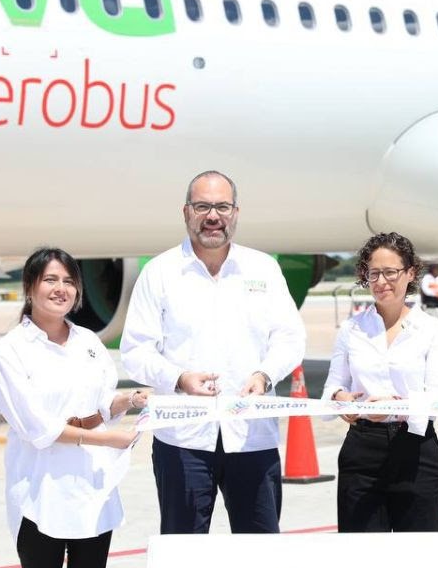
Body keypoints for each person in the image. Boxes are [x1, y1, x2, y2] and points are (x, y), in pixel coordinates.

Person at [0, 247, 144, 568]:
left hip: (91, 490)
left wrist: (127, 401)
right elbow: (39, 428)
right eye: (51, 280)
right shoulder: (11, 351)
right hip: (39, 493)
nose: (61, 289)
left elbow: (95, 408)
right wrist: (108, 439)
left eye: (70, 281)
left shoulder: (88, 342)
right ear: (30, 287)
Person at [121, 170, 306, 534]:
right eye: (202, 206)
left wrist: (264, 375)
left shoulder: (263, 268)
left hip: (251, 436)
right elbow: (135, 350)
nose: (213, 216)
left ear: (236, 212)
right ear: (186, 212)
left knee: (262, 551)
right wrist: (179, 379)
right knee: (184, 549)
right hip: (183, 439)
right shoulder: (160, 272)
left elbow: (290, 338)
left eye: (222, 207)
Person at [323, 232, 438, 532]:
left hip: (416, 448)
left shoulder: (431, 330)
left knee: (421, 551)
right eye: (374, 273)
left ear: (410, 273)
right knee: (363, 553)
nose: (381, 282)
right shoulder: (351, 329)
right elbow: (332, 387)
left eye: (390, 272)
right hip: (362, 450)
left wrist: (396, 406)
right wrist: (342, 399)